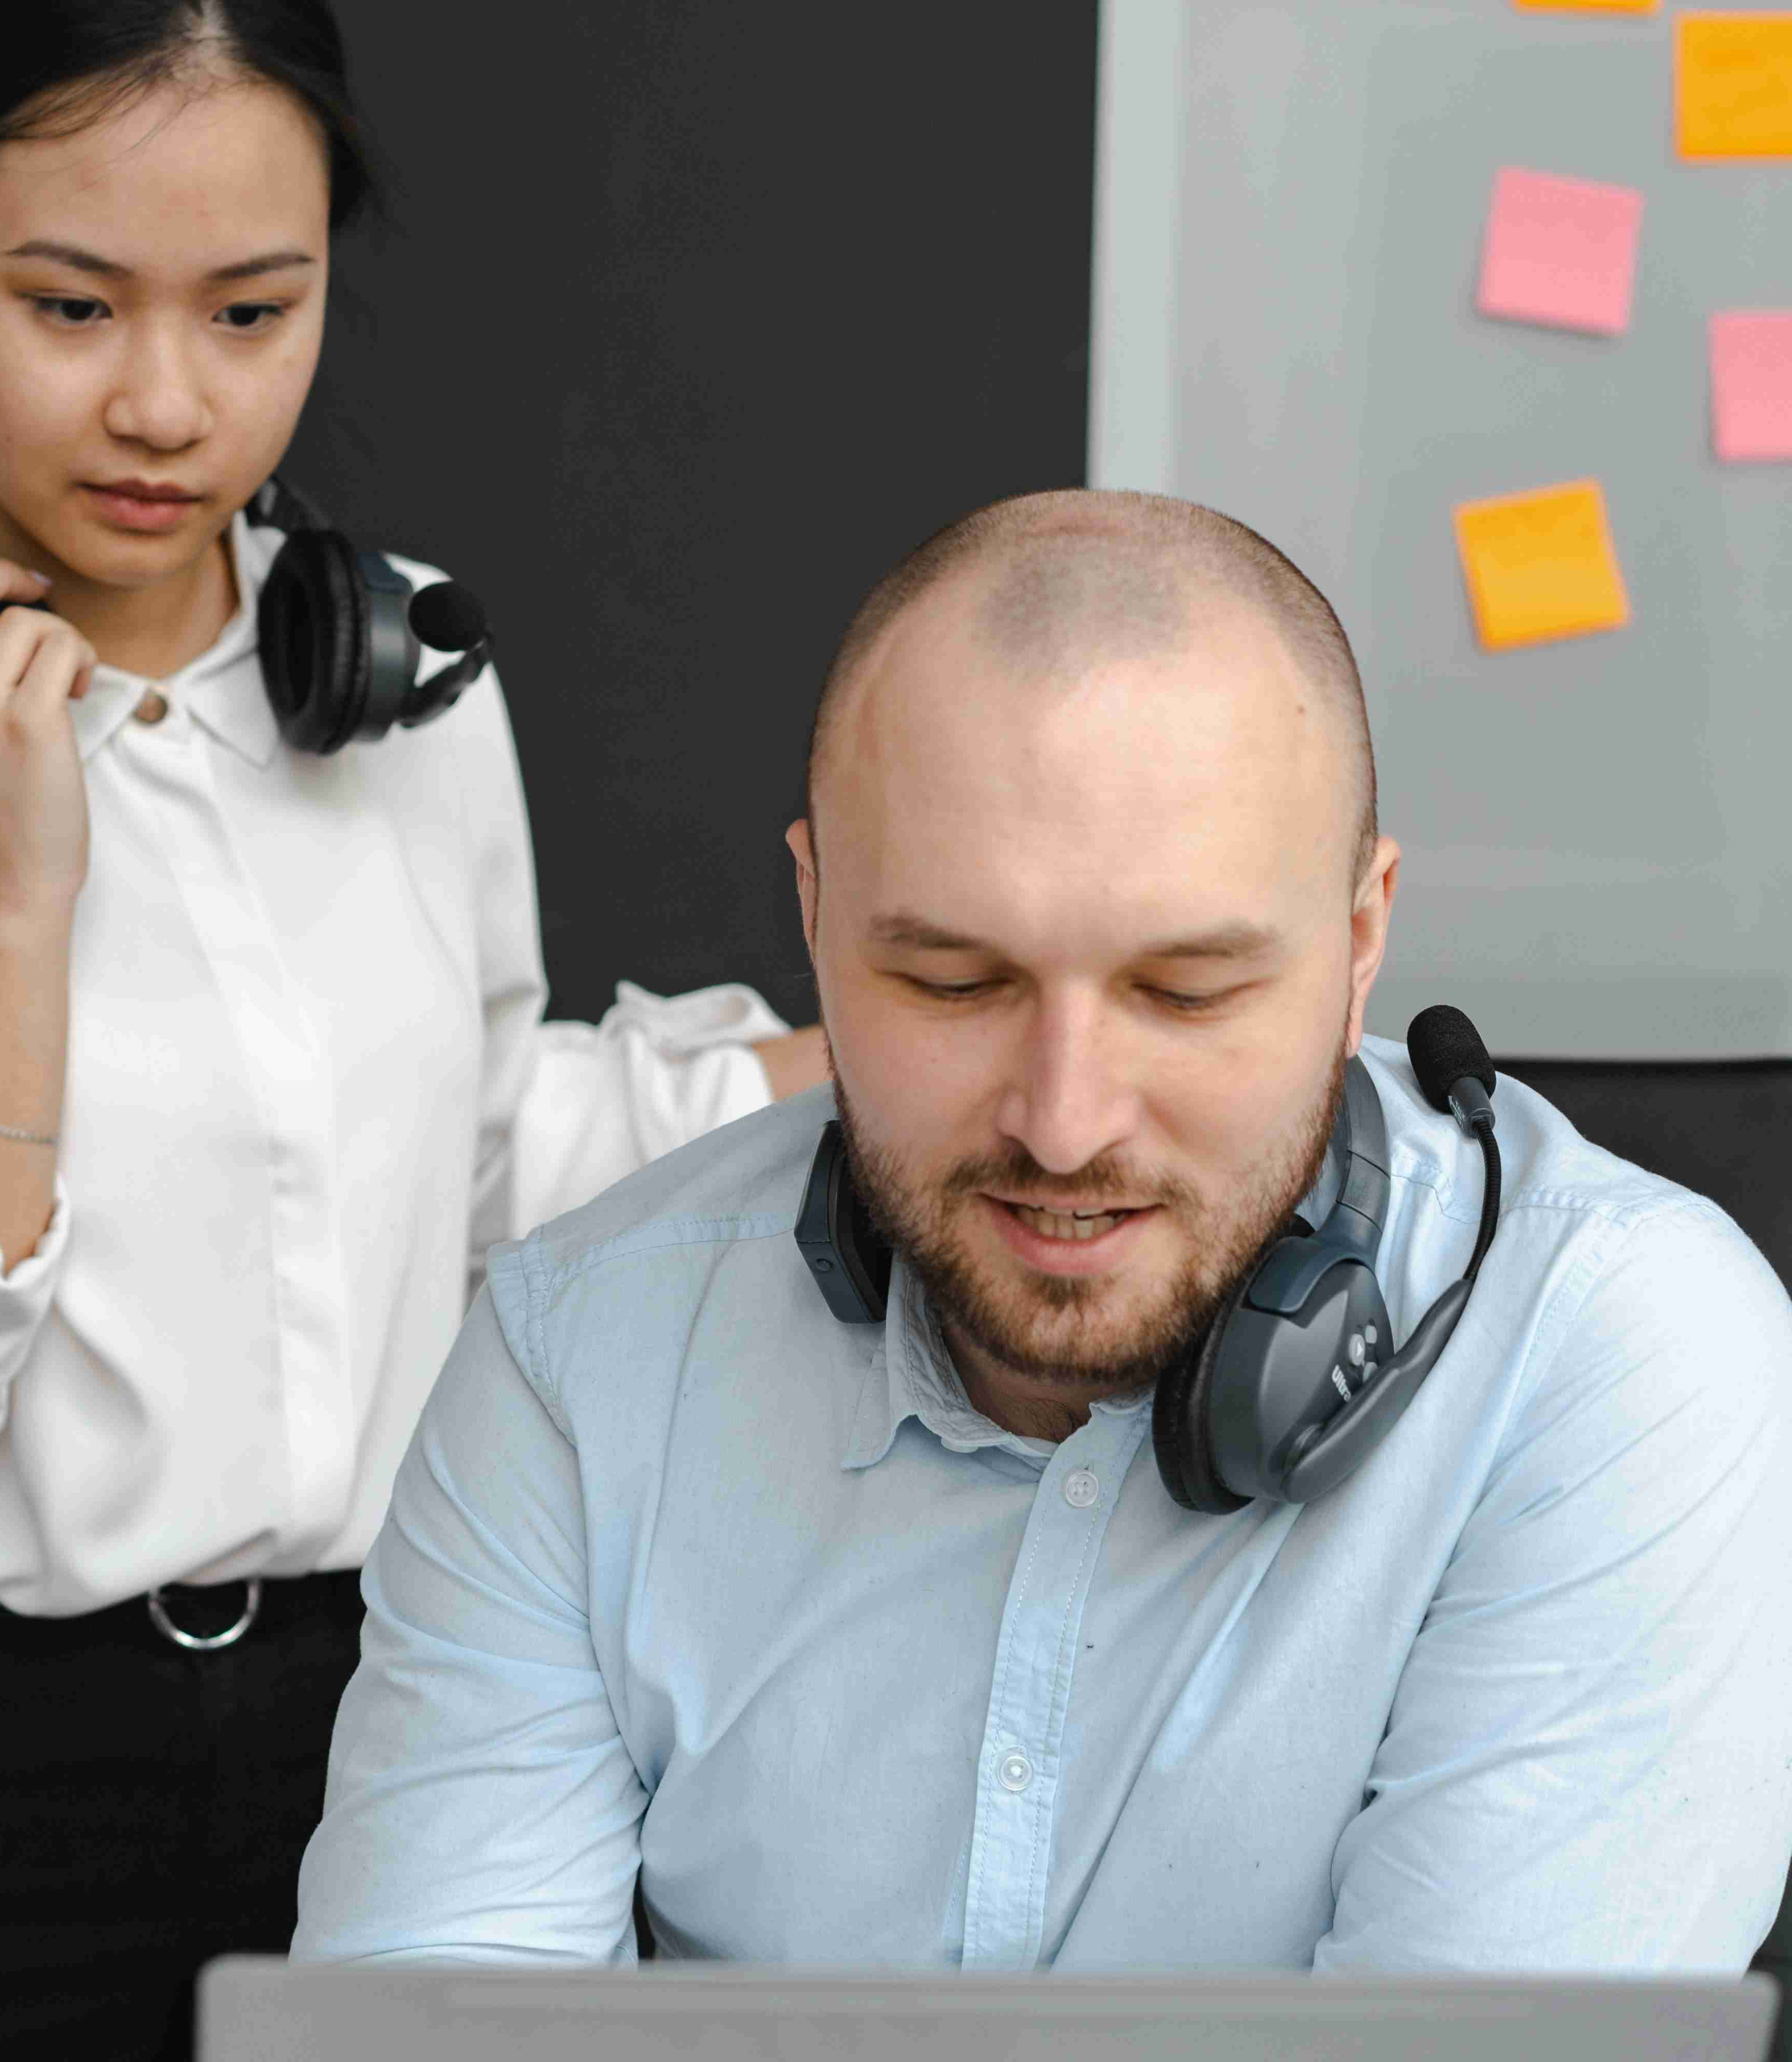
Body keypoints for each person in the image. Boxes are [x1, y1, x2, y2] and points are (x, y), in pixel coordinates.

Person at [0, 2, 826, 2051]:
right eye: (71, 306)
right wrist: (13, 901)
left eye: (252, 312)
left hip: (430, 1700)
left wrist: (918, 1037)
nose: (166, 405)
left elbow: (476, 1162)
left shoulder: (411, 676)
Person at [292, 489, 1792, 1970]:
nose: (1065, 1125)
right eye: (954, 984)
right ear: (813, 913)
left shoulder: (1614, 1353)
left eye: (1185, 994)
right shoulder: (579, 1359)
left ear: (1359, 942)